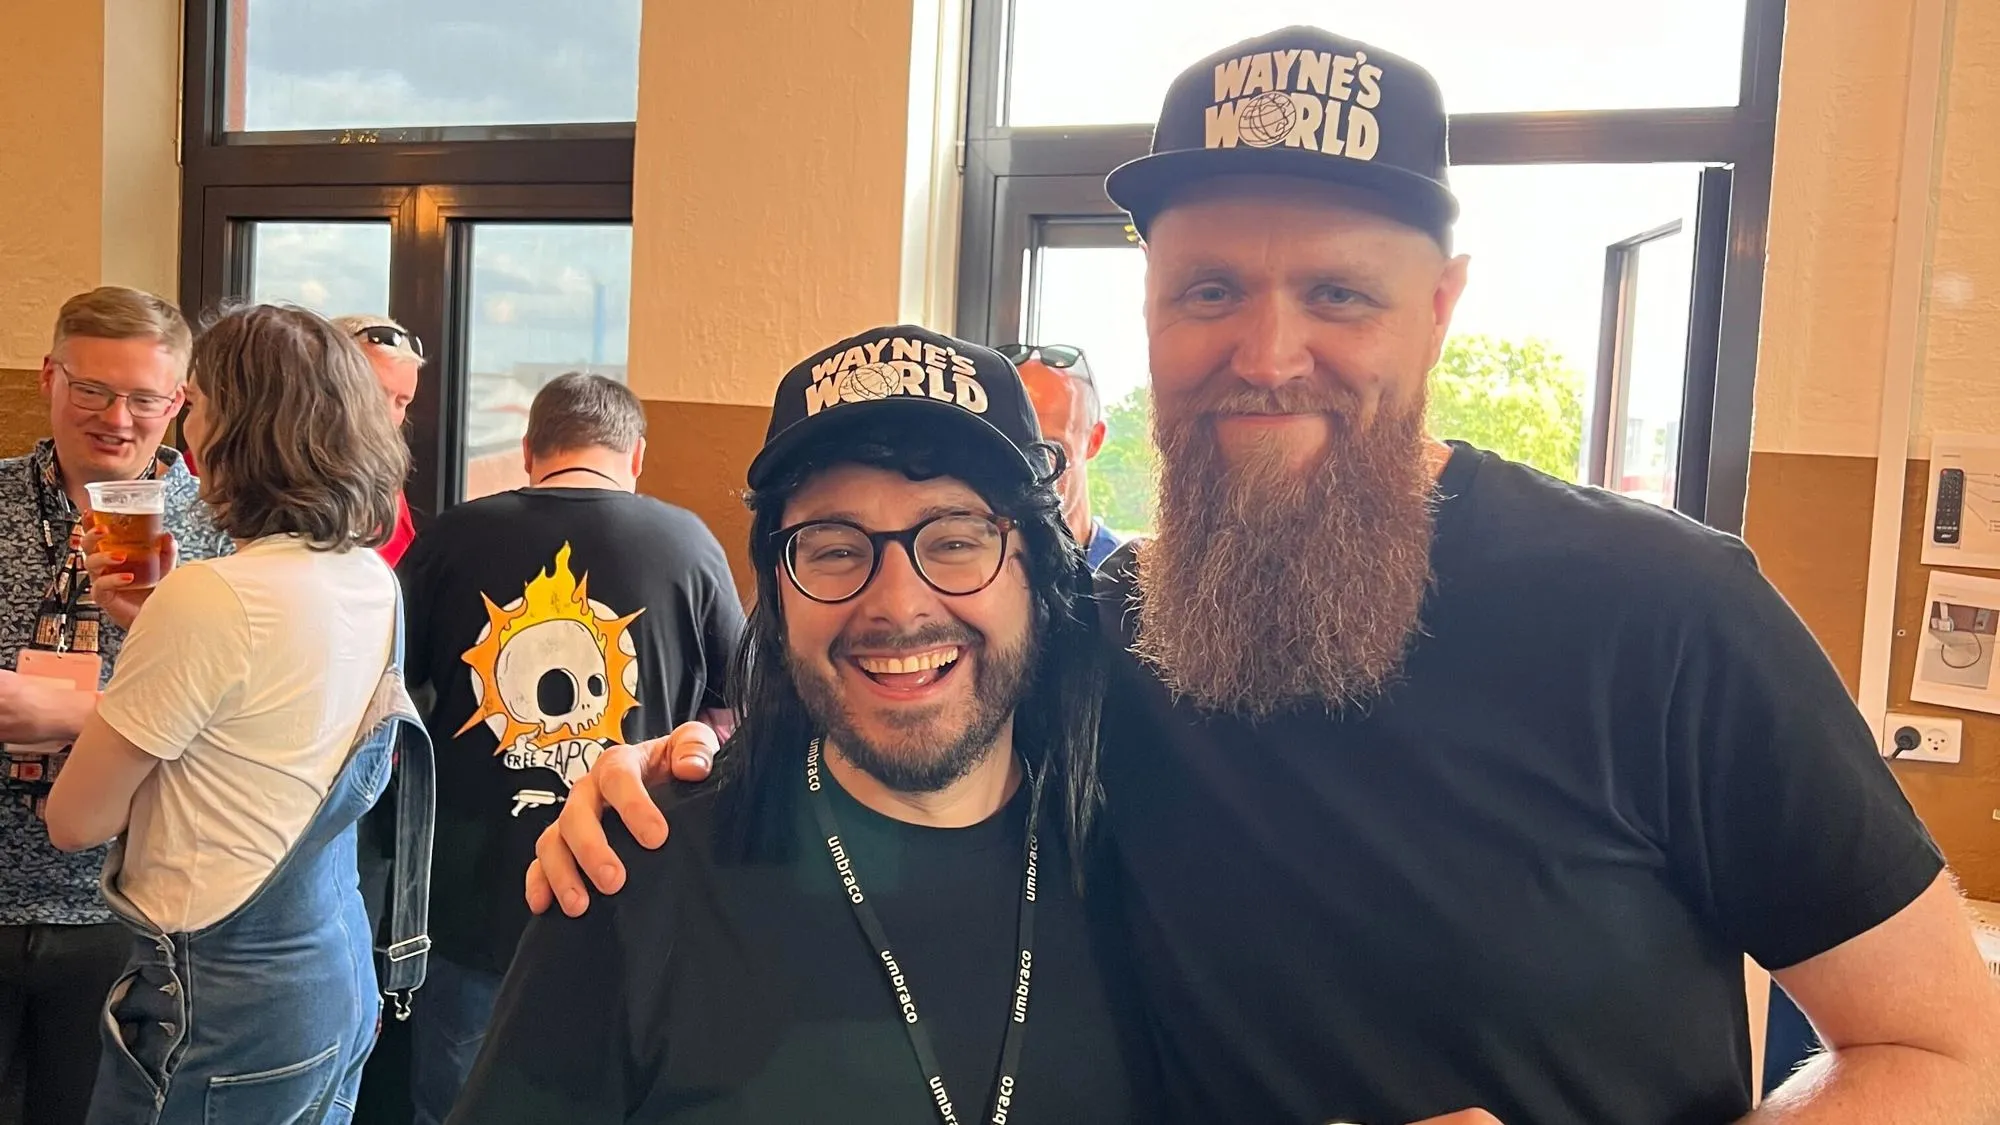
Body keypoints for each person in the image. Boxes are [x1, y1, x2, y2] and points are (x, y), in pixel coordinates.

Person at [534, 26, 2000, 1125]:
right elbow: (889, 694)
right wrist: (673, 770)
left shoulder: (1667, 613)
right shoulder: (1100, 633)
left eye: (1339, 293)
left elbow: (1948, 1052)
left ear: (1439, 309)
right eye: (1213, 291)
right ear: (1154, 310)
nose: (1269, 351)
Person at [449, 326, 1142, 1124]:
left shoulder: (1142, 870)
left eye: (956, 539)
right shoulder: (631, 878)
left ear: (1038, 571)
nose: (897, 604)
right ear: (777, 598)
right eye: (834, 548)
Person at [43, 303, 422, 1124]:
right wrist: (153, 628)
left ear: (236, 430)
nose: (186, 430)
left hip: (220, 994)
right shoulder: (368, 576)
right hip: (332, 964)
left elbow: (76, 819)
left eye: (197, 403)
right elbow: (263, 728)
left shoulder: (211, 595)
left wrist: (87, 696)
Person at [394, 371, 746, 1124]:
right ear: (637, 455)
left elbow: (386, 690)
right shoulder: (688, 542)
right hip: (633, 891)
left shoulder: (451, 537)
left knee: (457, 1104)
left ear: (528, 452)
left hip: (471, 900)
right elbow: (741, 706)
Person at [0, 287, 232, 1125]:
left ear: (178, 403)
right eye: (93, 389)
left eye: (144, 398)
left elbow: (237, 730)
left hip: (130, 912)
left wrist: (79, 715)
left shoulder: (219, 536)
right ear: (48, 378)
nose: (118, 419)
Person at [1003, 345, 1125, 568]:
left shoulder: (1128, 587)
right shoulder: (980, 574)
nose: (1029, 468)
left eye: (1051, 448)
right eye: (1011, 446)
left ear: (1093, 441)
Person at [333, 314, 426, 566]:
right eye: (376, 393)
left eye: (401, 402)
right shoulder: (289, 476)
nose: (386, 415)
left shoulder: (385, 475)